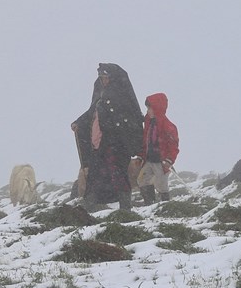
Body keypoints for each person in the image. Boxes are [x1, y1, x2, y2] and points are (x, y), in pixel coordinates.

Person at [71, 63, 143, 210]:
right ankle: (90, 206)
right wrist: (79, 123)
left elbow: (128, 120)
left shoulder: (122, 97)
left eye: (105, 77)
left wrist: (118, 134)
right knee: (95, 174)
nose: (103, 80)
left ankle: (125, 206)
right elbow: (91, 112)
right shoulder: (100, 96)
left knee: (118, 175)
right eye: (101, 78)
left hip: (117, 145)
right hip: (101, 144)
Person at [135, 93, 179, 204]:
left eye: (150, 108)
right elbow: (145, 142)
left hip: (161, 162)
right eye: (148, 108)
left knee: (161, 185)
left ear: (157, 108)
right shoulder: (149, 124)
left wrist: (169, 160)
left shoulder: (168, 126)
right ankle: (149, 204)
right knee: (142, 181)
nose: (148, 111)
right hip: (149, 160)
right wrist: (141, 156)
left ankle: (166, 205)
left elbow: (173, 146)